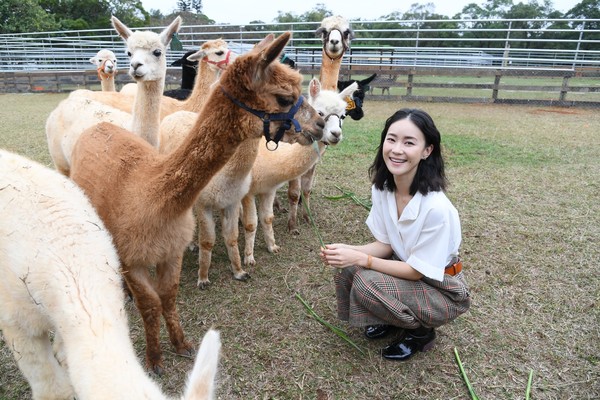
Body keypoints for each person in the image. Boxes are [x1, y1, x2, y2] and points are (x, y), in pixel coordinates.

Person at [320, 108, 471, 361]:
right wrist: (347, 250)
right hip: (406, 268)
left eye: (409, 142)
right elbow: (386, 244)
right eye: (391, 139)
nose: (397, 149)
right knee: (349, 269)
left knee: (368, 282)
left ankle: (421, 334)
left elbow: (416, 271)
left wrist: (361, 259)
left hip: (443, 286)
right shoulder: (383, 190)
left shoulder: (437, 209)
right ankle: (389, 317)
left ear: (427, 150)